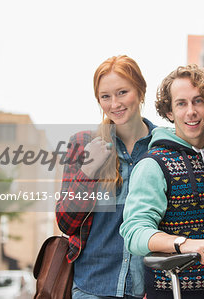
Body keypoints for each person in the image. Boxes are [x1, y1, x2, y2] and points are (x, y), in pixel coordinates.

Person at [120, 64, 204, 299]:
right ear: (169, 112)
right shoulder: (153, 164)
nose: (191, 112)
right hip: (172, 291)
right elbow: (134, 233)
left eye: (198, 101)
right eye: (181, 103)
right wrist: (183, 243)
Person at [56, 55, 156, 299]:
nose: (115, 104)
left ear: (140, 91)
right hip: (92, 287)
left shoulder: (161, 147)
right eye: (105, 96)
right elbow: (66, 222)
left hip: (146, 289)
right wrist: (88, 171)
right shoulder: (83, 144)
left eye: (122, 92)